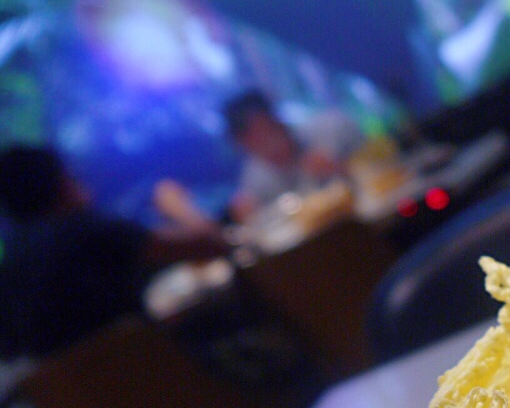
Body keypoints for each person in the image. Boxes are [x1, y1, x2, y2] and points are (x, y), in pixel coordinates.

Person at [0, 145, 231, 360]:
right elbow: (213, 245)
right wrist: (176, 205)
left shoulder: (12, 268)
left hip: (87, 389)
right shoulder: (84, 229)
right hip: (156, 373)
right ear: (62, 184)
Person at [221, 90, 364, 222]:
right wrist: (245, 213)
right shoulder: (255, 174)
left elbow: (374, 161)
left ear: (276, 120)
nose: (267, 147)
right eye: (253, 145)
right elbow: (250, 210)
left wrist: (342, 167)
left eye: (266, 134)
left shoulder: (329, 129)